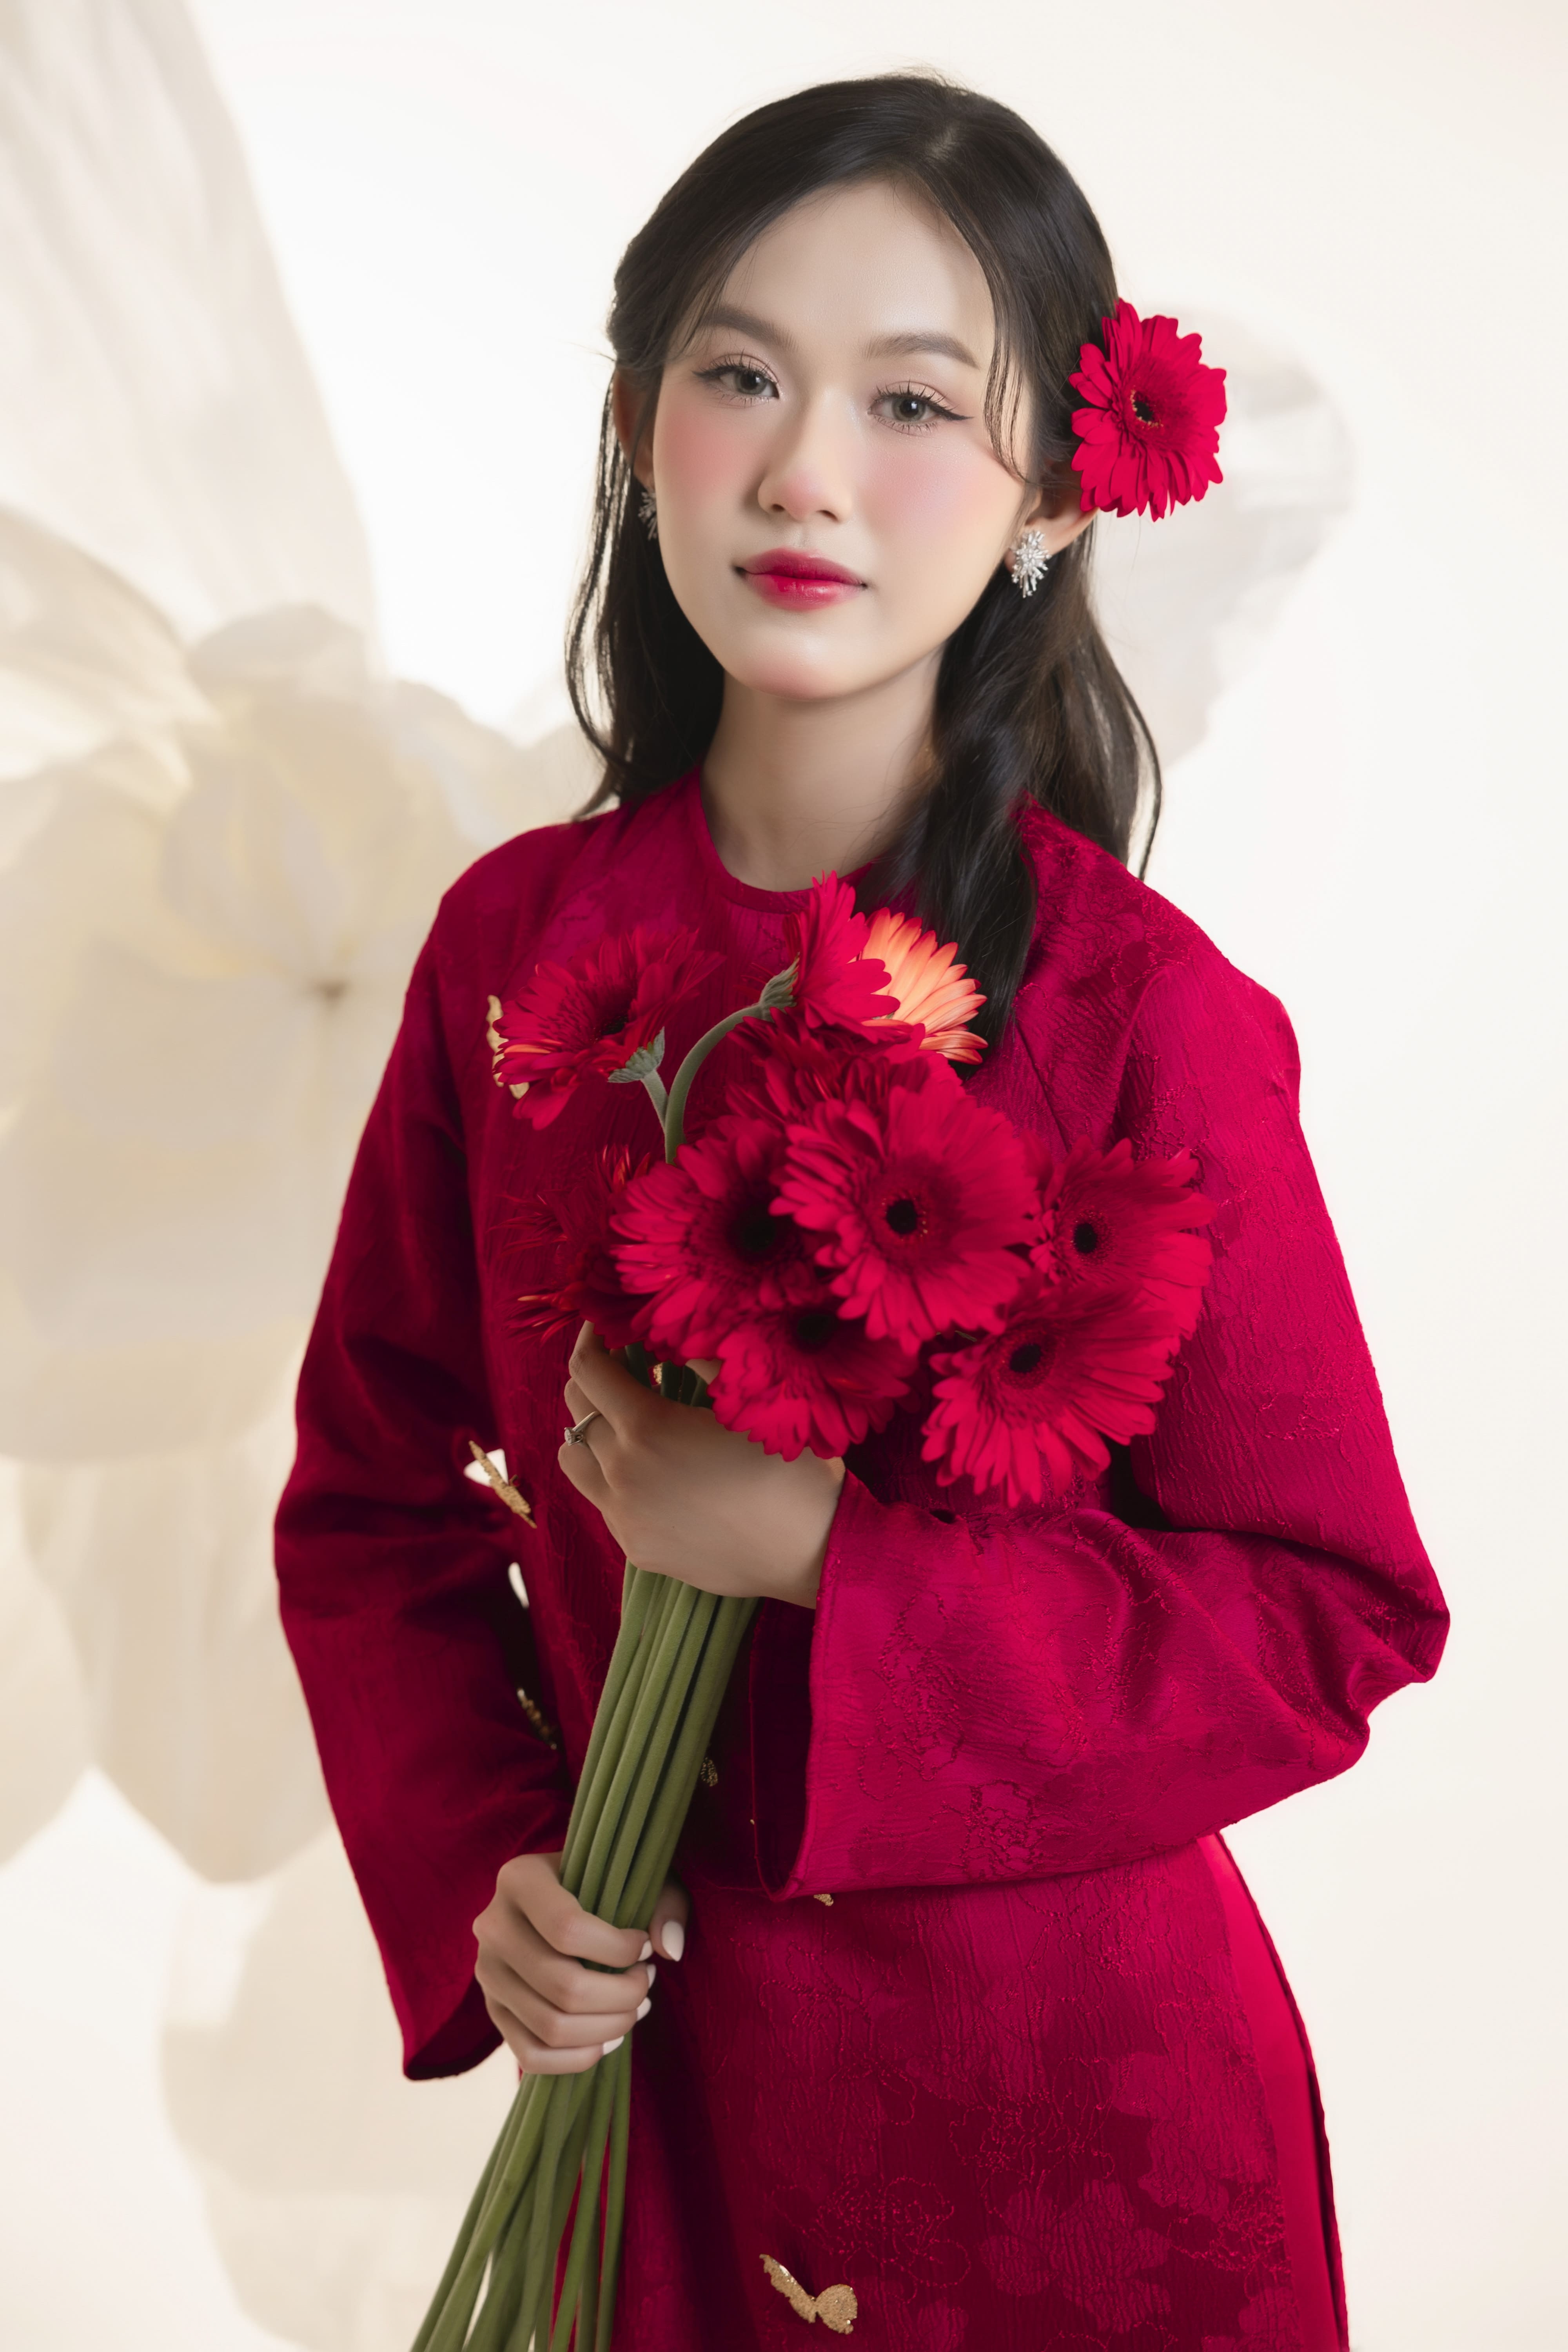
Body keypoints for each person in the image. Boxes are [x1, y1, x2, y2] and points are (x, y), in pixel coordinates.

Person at [276, 74, 1446, 2351]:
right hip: (660, 2107)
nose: (807, 469)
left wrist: (833, 1557)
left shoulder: (1142, 1010)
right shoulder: (515, 952)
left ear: (1053, 493)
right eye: (740, 375)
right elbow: (371, 1501)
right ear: (639, 427)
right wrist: (497, 1861)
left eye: (912, 403)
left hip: (1075, 2146)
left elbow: (1333, 1612)